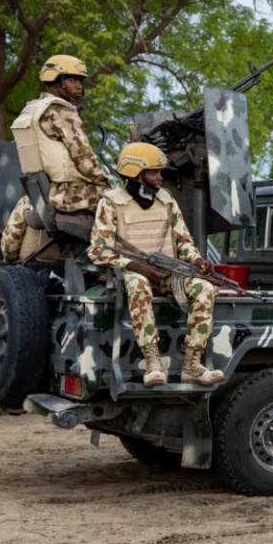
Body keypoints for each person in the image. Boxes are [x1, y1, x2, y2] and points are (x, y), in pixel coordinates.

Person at [88, 142, 223, 387]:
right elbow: (98, 250)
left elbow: (183, 242)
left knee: (204, 289)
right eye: (154, 172)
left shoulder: (166, 200)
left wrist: (197, 260)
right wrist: (134, 266)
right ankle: (153, 363)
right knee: (138, 284)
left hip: (169, 273)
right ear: (135, 174)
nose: (160, 177)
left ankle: (192, 365)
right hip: (132, 276)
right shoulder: (111, 202)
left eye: (160, 172)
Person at [11, 54, 112, 225]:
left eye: (80, 81)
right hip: (69, 193)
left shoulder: (33, 109)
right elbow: (82, 156)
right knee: (120, 202)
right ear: (57, 80)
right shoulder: (62, 111)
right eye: (73, 80)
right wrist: (104, 181)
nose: (79, 85)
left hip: (44, 191)